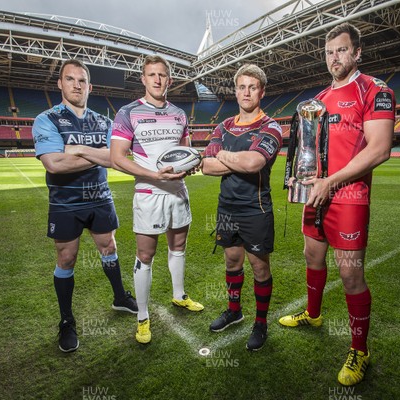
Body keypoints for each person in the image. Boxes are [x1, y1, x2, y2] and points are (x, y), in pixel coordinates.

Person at [279, 23, 395, 385]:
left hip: (349, 197)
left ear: (356, 53)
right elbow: (307, 151)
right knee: (312, 257)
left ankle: (360, 350)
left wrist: (332, 181)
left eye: (342, 51)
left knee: (349, 274)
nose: (335, 58)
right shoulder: (318, 100)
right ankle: (313, 315)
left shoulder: (375, 90)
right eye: (329, 52)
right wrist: (297, 178)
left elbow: (380, 149)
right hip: (317, 195)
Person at [32, 59, 138, 353]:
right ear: (60, 84)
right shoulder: (46, 119)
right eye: (70, 79)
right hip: (65, 202)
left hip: (100, 198)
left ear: (90, 87)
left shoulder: (105, 122)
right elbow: (54, 163)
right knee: (67, 258)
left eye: (81, 81)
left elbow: (115, 159)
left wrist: (76, 149)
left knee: (109, 247)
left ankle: (120, 297)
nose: (76, 85)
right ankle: (67, 321)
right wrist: (98, 154)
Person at [110, 55, 204, 345]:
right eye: (152, 75)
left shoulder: (179, 114)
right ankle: (142, 316)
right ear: (144, 79)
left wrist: (189, 167)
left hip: (177, 193)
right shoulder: (127, 113)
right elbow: (116, 158)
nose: (157, 80)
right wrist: (155, 176)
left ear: (169, 79)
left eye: (162, 75)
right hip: (149, 195)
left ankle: (179, 296)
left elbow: (186, 153)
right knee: (145, 256)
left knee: (178, 248)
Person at [202, 64, 283, 351]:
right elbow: (206, 166)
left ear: (261, 91)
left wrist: (223, 155)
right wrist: (234, 158)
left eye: (252, 87)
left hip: (256, 209)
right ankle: (234, 311)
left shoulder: (270, 127)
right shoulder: (222, 126)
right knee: (232, 262)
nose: (246, 92)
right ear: (236, 91)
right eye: (241, 87)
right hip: (227, 208)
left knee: (259, 267)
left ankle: (260, 323)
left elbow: (254, 163)